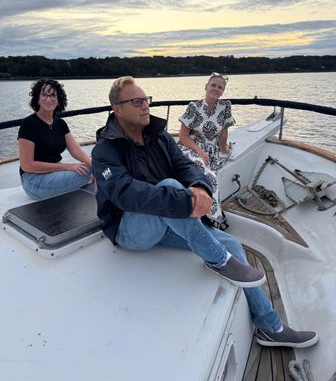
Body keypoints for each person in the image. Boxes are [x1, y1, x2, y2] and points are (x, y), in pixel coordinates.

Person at [92, 76, 318, 348]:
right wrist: (184, 200)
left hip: (166, 218)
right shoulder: (105, 149)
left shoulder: (157, 134)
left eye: (147, 100)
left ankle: (271, 327)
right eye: (138, 101)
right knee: (170, 187)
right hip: (130, 230)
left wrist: (199, 188)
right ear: (118, 109)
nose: (146, 106)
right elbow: (125, 194)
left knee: (232, 242)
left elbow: (184, 165)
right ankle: (217, 258)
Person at [18, 79, 92, 200]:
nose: (48, 99)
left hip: (54, 173)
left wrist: (95, 164)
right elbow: (27, 165)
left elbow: (76, 151)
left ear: (58, 100)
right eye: (44, 94)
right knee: (92, 172)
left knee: (96, 167)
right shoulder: (29, 124)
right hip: (34, 180)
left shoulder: (60, 123)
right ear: (37, 98)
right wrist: (68, 167)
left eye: (53, 95)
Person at [178, 72, 235, 230]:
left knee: (211, 174)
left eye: (220, 87)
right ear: (206, 87)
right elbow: (183, 136)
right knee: (206, 175)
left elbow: (223, 132)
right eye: (213, 85)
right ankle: (213, 216)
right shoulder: (193, 107)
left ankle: (206, 213)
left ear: (223, 91)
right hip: (191, 146)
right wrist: (200, 152)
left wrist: (224, 150)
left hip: (212, 150)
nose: (216, 89)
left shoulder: (225, 107)